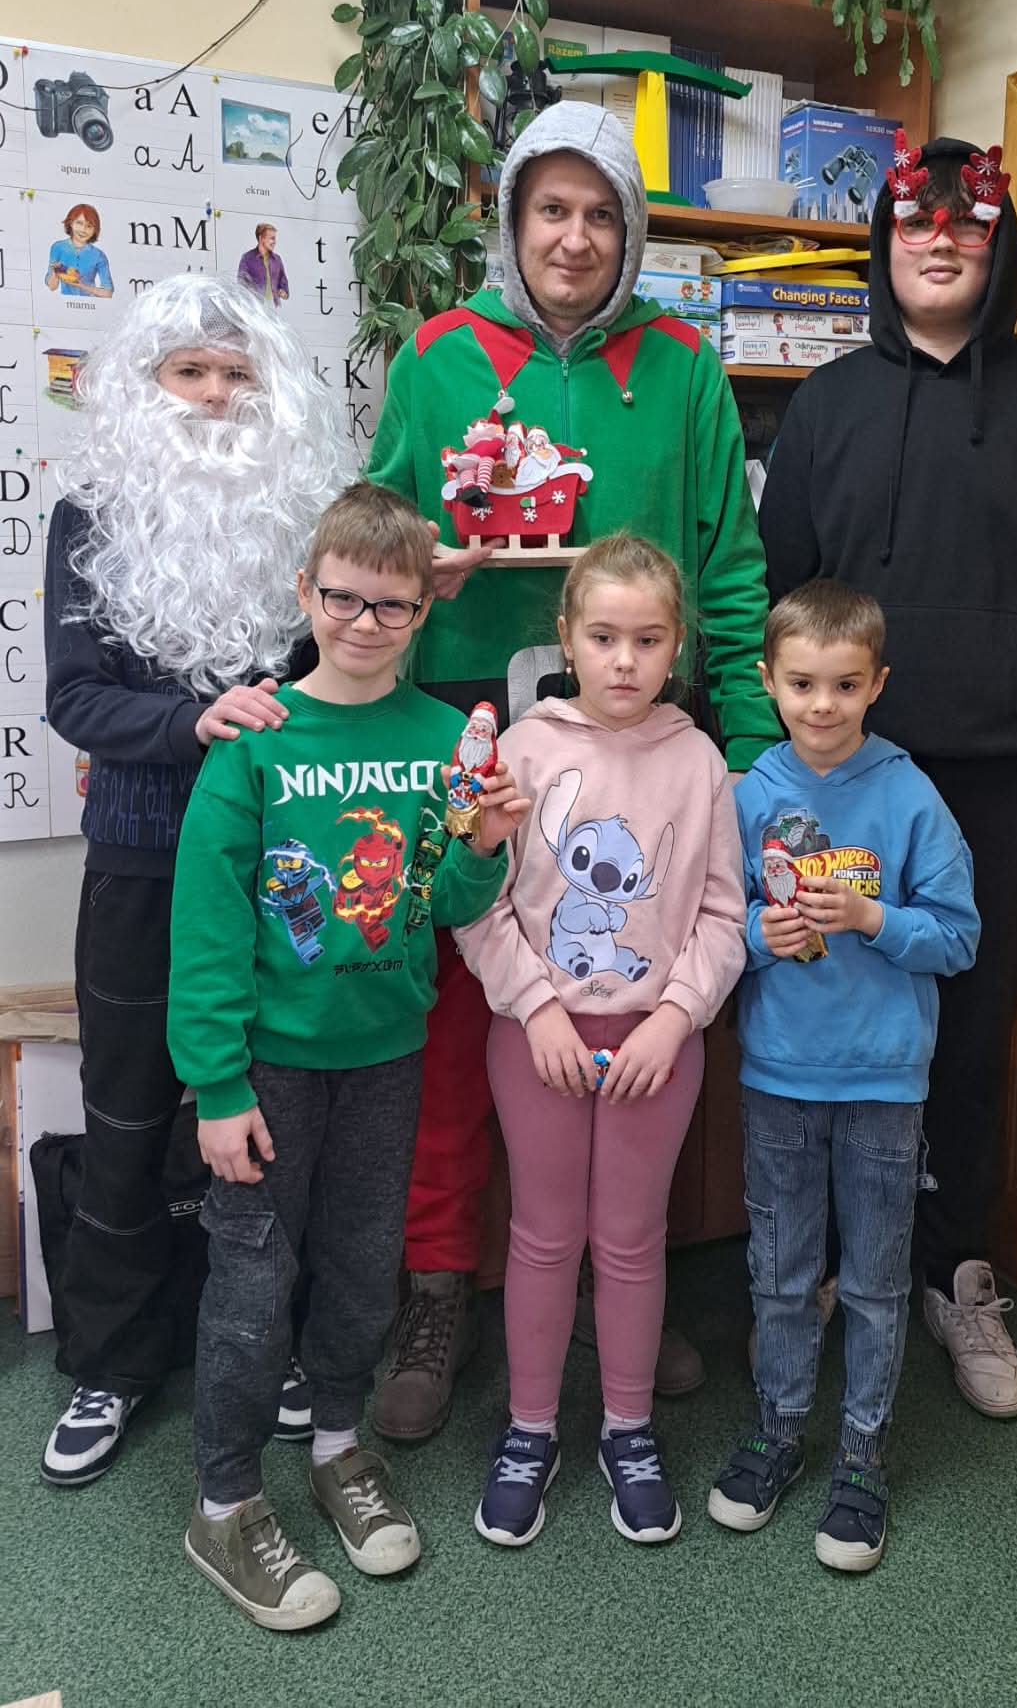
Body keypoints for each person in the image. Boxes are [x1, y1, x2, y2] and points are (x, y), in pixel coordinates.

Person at [367, 99, 777, 1436]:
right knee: (461, 1024)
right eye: (551, 208)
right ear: (511, 217)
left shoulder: (684, 365)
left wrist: (750, 758)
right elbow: (371, 548)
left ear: (632, 231)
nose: (575, 237)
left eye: (602, 213)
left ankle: (619, 1283)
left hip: (641, 746)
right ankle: (441, 1287)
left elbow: (728, 569)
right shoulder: (438, 355)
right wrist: (416, 570)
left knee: (641, 999)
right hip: (466, 734)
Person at [759, 135, 1017, 1418]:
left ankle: (954, 1270)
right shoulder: (826, 404)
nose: (938, 242)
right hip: (840, 777)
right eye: (915, 223)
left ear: (995, 245)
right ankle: (814, 1267)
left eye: (964, 226)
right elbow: (776, 593)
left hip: (1005, 784)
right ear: (884, 244)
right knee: (827, 1023)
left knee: (968, 1042)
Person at [167, 483, 523, 1629]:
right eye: (343, 598)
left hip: (386, 1055)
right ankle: (225, 1501)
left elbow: (447, 900)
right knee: (252, 1281)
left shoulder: (443, 739)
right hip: (266, 1069)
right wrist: (217, 1086)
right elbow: (208, 926)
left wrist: (483, 843)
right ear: (305, 592)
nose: (366, 623)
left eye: (392, 605)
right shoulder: (256, 742)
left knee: (366, 1263)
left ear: (425, 608)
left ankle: (336, 1442)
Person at [39, 275, 354, 1488]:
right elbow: (76, 698)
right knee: (127, 1113)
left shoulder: (302, 522)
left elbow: (335, 675)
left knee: (268, 1116)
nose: (218, 395)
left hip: (275, 860)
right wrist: (189, 721)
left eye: (238, 373)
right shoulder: (89, 516)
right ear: (145, 385)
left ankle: (265, 1338)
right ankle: (111, 1361)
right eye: (191, 372)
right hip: (138, 855)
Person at [454, 535, 746, 1547]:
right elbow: (479, 902)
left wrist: (676, 1015)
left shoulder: (698, 760)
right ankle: (529, 1429)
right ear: (566, 637)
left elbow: (723, 913)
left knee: (630, 1238)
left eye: (648, 639)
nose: (625, 659)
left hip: (658, 1044)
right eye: (604, 636)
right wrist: (536, 1008)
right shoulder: (524, 749)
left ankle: (628, 1427)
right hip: (534, 1035)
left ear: (678, 645)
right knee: (541, 1235)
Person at [709, 580, 979, 1573]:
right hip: (778, 1076)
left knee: (870, 1280)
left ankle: (862, 1454)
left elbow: (957, 937)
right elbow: (712, 926)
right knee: (780, 1273)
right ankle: (779, 1429)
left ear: (877, 683)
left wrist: (873, 919)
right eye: (801, 683)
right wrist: (759, 936)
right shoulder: (746, 796)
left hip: (882, 1083)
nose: (821, 704)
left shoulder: (908, 796)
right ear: (768, 682)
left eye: (844, 684)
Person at [46, 202, 115, 298]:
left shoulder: (99, 255)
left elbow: (108, 293)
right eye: (79, 223)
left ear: (94, 230)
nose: (83, 230)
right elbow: (52, 287)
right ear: (71, 223)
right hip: (65, 303)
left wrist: (81, 285)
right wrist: (55, 272)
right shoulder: (58, 247)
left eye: (89, 226)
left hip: (91, 304)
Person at [238, 222, 289, 304]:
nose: (274, 242)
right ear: (261, 238)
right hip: (255, 306)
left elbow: (283, 280)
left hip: (274, 305)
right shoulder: (247, 258)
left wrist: (284, 292)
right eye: (272, 238)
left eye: (275, 239)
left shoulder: (277, 259)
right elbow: (241, 283)